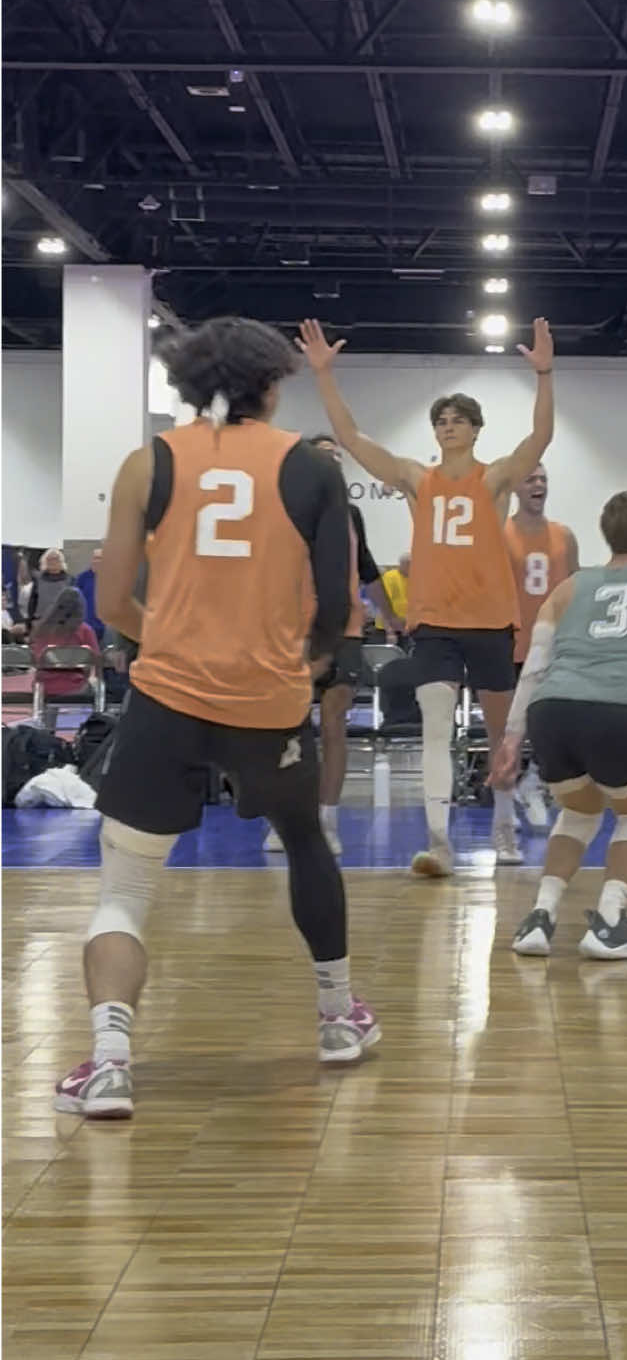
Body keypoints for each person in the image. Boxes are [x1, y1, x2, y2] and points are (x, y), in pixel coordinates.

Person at [54, 316, 379, 1122]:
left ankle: (111, 1060)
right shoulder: (308, 467)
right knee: (305, 841)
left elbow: (117, 594)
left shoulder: (148, 463)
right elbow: (338, 608)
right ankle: (338, 1019)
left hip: (167, 695)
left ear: (190, 386)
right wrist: (295, 664)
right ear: (270, 386)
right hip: (267, 701)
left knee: (124, 892)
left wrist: (164, 639)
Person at [297, 314, 554, 877]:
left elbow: (540, 439)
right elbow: (353, 438)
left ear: (475, 429)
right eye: (441, 420)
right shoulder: (417, 477)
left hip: (489, 619)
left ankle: (504, 826)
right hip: (434, 620)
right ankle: (439, 842)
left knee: (499, 731)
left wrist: (544, 374)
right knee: (437, 727)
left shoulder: (493, 478)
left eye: (459, 420)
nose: (449, 427)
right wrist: (323, 376)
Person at [490, 490, 627, 959]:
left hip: (551, 711)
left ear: (607, 537)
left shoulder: (567, 589)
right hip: (617, 710)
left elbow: (534, 666)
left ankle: (539, 918)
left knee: (579, 813)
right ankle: (610, 921)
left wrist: (512, 738)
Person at [265, 435, 403, 857]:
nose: (331, 465)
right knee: (290, 731)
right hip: (294, 634)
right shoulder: (284, 513)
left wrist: (395, 618)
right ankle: (287, 820)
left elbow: (366, 569)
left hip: (344, 632)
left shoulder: (351, 516)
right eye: (323, 457)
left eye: (336, 459)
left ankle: (327, 819)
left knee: (334, 723)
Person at [504, 464, 579, 827]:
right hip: (513, 641)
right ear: (516, 487)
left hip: (556, 644)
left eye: (544, 479)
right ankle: (510, 787)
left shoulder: (564, 535)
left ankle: (534, 780)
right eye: (531, 478)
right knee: (513, 721)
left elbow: (576, 590)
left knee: (552, 720)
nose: (538, 485)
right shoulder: (501, 534)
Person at [30, 585, 100, 732]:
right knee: (97, 688)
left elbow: (36, 659)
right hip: (75, 687)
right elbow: (96, 660)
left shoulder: (42, 629)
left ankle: (47, 732)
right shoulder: (85, 630)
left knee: (48, 695)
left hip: (44, 688)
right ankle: (91, 732)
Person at [25, 546, 71, 634]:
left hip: (62, 624)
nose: (53, 562)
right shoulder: (38, 580)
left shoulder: (69, 580)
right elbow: (32, 602)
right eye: (50, 559)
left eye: (56, 559)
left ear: (61, 561)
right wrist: (31, 621)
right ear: (45, 561)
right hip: (40, 622)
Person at [74, 548, 105, 640]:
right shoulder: (82, 578)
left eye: (101, 558)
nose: (98, 561)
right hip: (86, 626)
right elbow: (75, 601)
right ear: (92, 560)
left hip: (105, 627)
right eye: (96, 558)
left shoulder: (111, 578)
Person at [382, 552, 411, 632]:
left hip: (404, 627)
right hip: (388, 628)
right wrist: (389, 631)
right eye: (409, 565)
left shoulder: (412, 579)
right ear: (403, 564)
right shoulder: (390, 577)